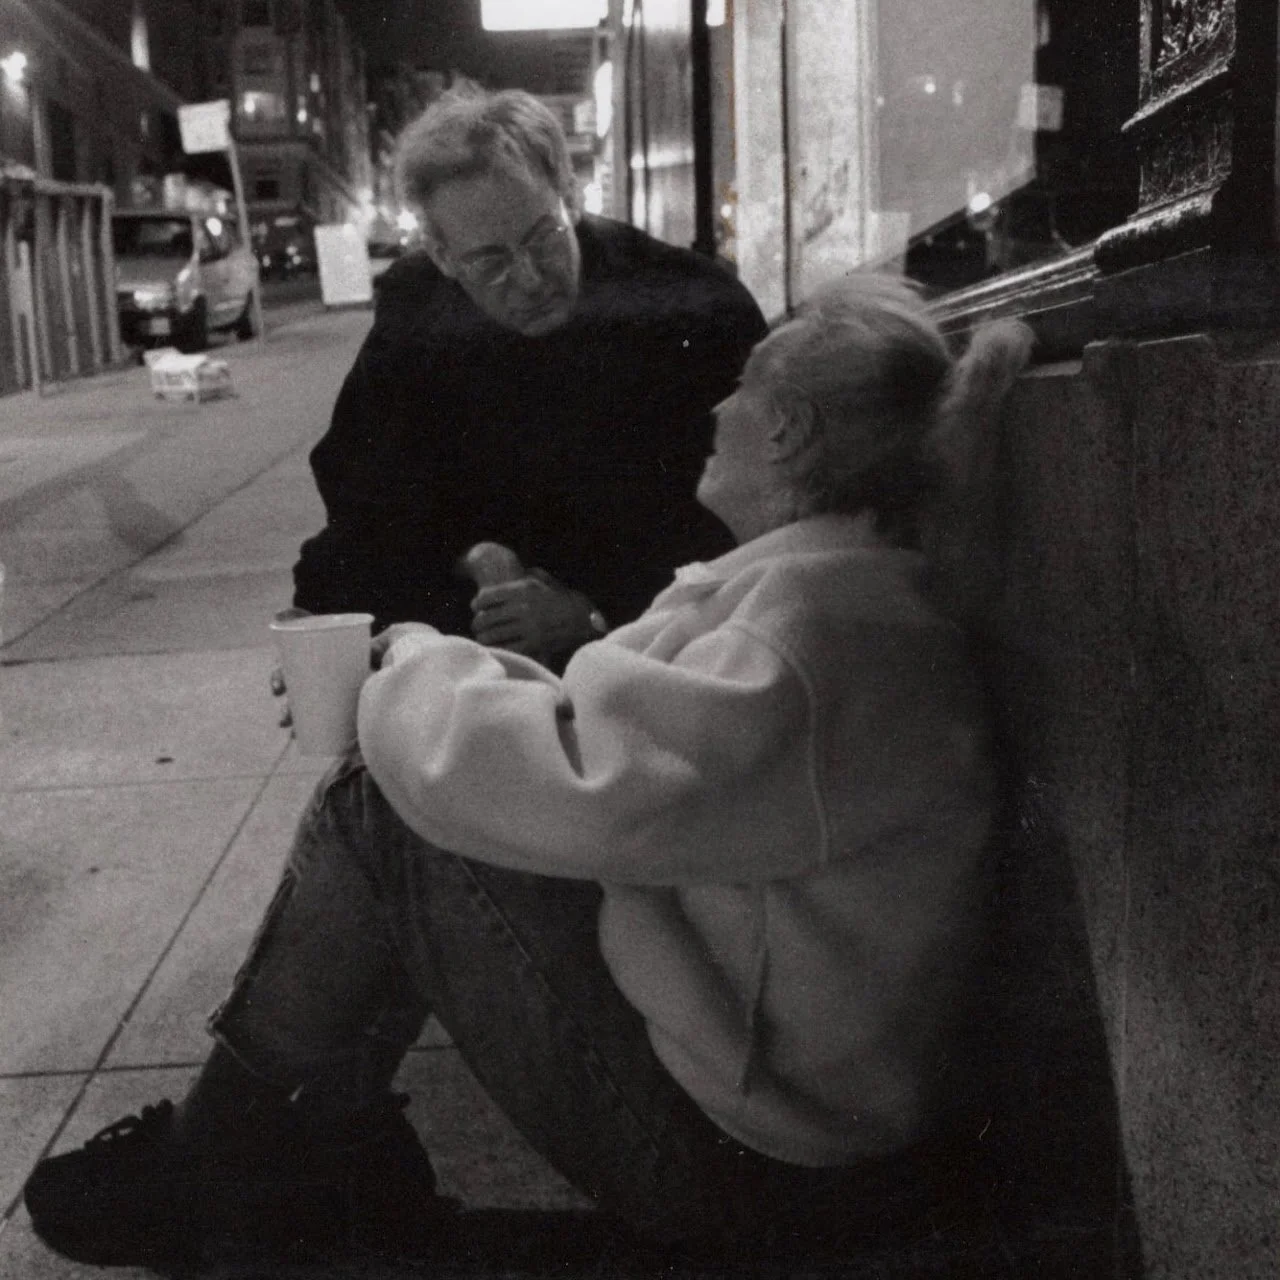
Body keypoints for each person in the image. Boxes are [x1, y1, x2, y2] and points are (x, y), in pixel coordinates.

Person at [24, 276, 1032, 1270]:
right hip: (776, 1095)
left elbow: (583, 785)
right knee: (416, 783)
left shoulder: (808, 636)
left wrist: (408, 659)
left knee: (386, 807)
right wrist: (423, 666)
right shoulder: (832, 599)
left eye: (740, 386)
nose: (716, 408)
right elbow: (599, 739)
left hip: (754, 1164)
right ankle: (289, 1148)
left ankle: (224, 1160)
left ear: (785, 430)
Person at [289, 85, 767, 669]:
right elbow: (360, 488)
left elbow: (750, 515)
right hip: (483, 606)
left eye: (544, 238)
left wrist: (594, 610)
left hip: (656, 621)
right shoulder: (418, 308)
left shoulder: (693, 306)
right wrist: (470, 555)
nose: (531, 279)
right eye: (490, 262)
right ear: (442, 257)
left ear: (570, 198)